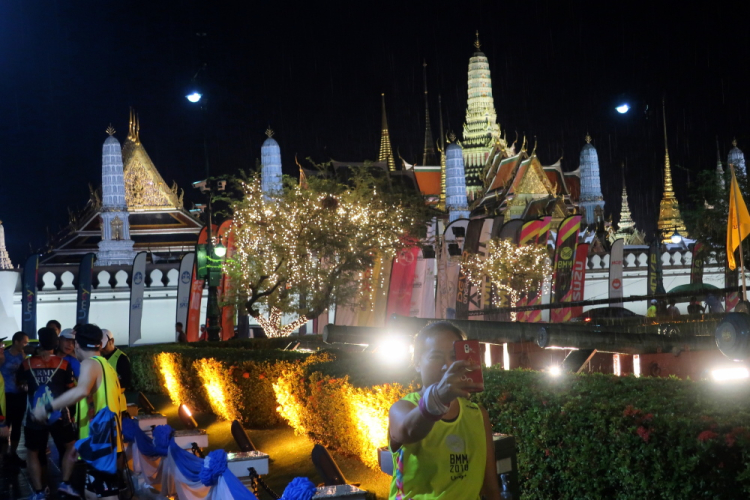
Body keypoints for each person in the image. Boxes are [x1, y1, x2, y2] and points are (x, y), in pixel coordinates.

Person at [388, 321, 500, 500]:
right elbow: (408, 431)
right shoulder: (403, 408)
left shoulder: (478, 414)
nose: (447, 366)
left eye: (454, 357)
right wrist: (438, 398)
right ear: (417, 362)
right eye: (436, 356)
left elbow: (491, 488)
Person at [32, 324, 123, 500]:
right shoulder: (105, 365)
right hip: (102, 440)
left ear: (77, 345)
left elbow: (81, 391)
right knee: (92, 493)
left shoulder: (90, 363)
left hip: (101, 443)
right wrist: (81, 443)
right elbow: (96, 404)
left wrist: (47, 408)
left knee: (106, 496)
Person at [18, 328, 77, 500]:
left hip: (34, 414)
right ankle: (65, 483)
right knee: (70, 446)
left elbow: (20, 385)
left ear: (40, 342)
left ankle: (39, 492)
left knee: (33, 452)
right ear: (56, 343)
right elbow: (70, 389)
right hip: (60, 414)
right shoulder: (64, 364)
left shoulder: (26, 364)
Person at [0, 331, 28, 469]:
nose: (26, 344)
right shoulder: (4, 355)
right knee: (6, 425)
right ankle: (5, 454)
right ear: (16, 342)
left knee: (17, 425)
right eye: (24, 342)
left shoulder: (23, 356)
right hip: (6, 395)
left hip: (19, 394)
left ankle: (13, 453)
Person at [101, 329, 130, 412]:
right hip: (102, 405)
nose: (102, 349)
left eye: (104, 346)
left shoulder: (121, 358)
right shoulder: (99, 356)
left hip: (117, 406)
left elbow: (125, 383)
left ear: (112, 341)